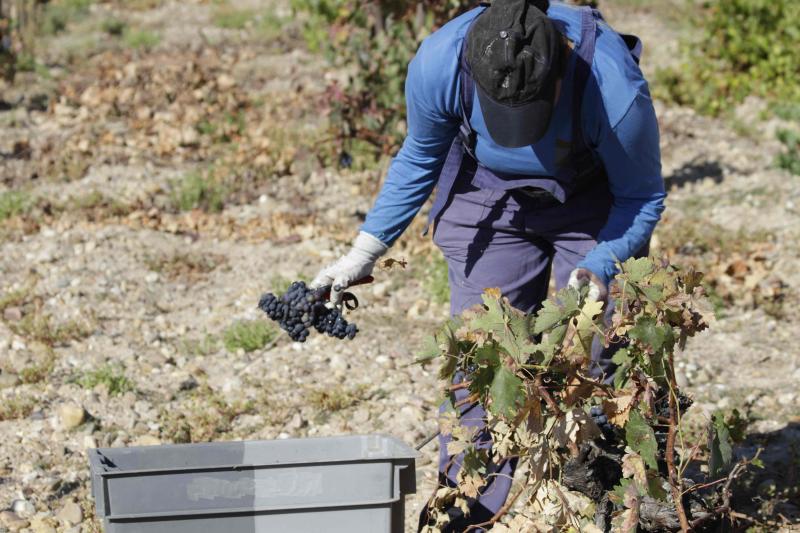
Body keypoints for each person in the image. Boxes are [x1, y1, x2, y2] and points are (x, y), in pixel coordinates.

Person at [312, 0, 665, 529]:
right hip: (487, 192)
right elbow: (420, 155)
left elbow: (640, 197)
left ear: (559, 74)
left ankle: (607, 506)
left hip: (594, 198)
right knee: (483, 362)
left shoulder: (611, 86)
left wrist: (601, 265)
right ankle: (465, 513)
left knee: (597, 365)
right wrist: (364, 251)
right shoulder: (440, 63)